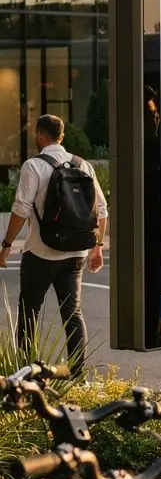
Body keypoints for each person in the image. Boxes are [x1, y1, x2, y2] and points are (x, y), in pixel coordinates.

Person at [0, 114, 107, 379]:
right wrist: (97, 246)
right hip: (76, 253)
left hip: (41, 252)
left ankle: (25, 378)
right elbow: (102, 209)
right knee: (73, 314)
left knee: (29, 313)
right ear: (62, 136)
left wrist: (7, 244)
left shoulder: (33, 166)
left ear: (40, 135)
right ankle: (78, 376)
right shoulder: (83, 165)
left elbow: (21, 209)